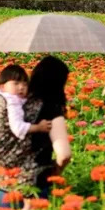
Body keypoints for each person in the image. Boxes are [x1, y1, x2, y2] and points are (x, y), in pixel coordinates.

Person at [0, 64, 53, 209]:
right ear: (2, 87)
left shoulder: (1, 99)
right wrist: (39, 127)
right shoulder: (12, 103)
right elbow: (18, 128)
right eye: (16, 83)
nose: (21, 87)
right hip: (15, 180)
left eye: (25, 83)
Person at [21, 57, 72, 201]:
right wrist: (55, 171)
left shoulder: (17, 102)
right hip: (32, 186)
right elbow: (64, 155)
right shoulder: (51, 109)